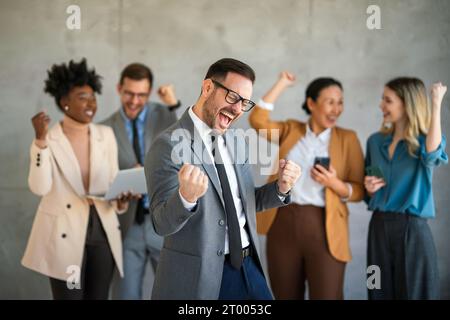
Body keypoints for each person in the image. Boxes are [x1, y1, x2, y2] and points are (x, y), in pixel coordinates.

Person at [145, 58, 302, 299]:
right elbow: (161, 223)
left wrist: (281, 188)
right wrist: (185, 198)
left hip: (249, 267)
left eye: (245, 102)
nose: (239, 109)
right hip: (202, 275)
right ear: (208, 88)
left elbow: (246, 201)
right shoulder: (167, 144)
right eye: (233, 97)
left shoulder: (236, 139)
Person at [22, 58, 135, 299]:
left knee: (99, 296)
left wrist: (122, 200)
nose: (91, 103)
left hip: (102, 227)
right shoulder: (48, 139)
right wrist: (40, 142)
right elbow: (39, 187)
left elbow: (112, 183)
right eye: (83, 97)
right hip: (64, 229)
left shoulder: (106, 135)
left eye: (93, 97)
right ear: (64, 102)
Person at [249, 72, 365, 299]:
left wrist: (335, 183)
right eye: (330, 102)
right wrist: (282, 83)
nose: (337, 109)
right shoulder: (291, 130)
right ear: (311, 103)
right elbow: (257, 121)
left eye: (340, 102)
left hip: (326, 227)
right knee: (284, 295)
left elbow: (359, 189)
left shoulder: (348, 138)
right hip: (282, 222)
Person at [102, 63, 181, 299]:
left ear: (149, 92)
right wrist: (123, 179)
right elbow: (100, 176)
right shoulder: (104, 129)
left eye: (142, 95)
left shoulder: (167, 114)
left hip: (164, 222)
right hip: (127, 226)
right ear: (119, 88)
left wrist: (173, 104)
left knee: (174, 292)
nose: (135, 101)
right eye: (129, 93)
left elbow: (189, 141)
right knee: (125, 294)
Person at [364, 78, 448, 300]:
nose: (381, 105)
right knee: (376, 289)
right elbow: (371, 186)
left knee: (416, 294)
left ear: (407, 104)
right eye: (383, 99)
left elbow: (431, 156)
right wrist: (370, 188)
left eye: (388, 100)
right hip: (378, 231)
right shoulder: (374, 141)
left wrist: (436, 103)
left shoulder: (425, 141)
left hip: (412, 232)